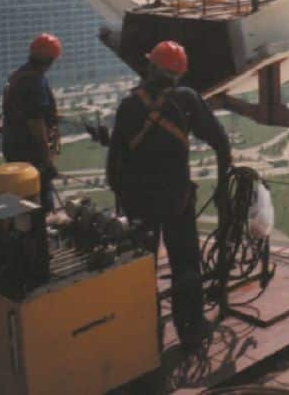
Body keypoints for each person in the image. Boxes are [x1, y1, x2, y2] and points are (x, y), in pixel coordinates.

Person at [107, 40, 232, 349]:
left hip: (139, 204)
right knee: (186, 264)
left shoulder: (129, 106)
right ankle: (191, 329)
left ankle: (144, 336)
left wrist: (123, 200)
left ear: (151, 66)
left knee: (140, 267)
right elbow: (220, 142)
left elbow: (114, 168)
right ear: (178, 74)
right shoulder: (186, 100)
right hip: (177, 200)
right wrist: (222, 188)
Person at [2, 33, 62, 211]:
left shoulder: (17, 75)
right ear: (51, 60)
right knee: (41, 200)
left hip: (13, 147)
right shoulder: (35, 81)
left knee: (22, 198)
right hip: (31, 153)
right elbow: (35, 123)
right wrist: (46, 159)